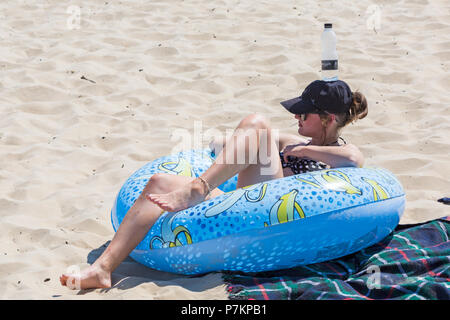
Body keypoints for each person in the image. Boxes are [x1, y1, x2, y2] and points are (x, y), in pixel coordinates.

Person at [60, 79, 368, 289]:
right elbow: (230, 141)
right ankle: (102, 269)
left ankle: (199, 187)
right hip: (241, 204)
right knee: (158, 182)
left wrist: (301, 150)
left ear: (328, 119)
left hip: (273, 215)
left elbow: (354, 158)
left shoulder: (334, 152)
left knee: (259, 124)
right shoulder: (292, 138)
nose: (297, 117)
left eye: (304, 112)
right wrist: (239, 142)